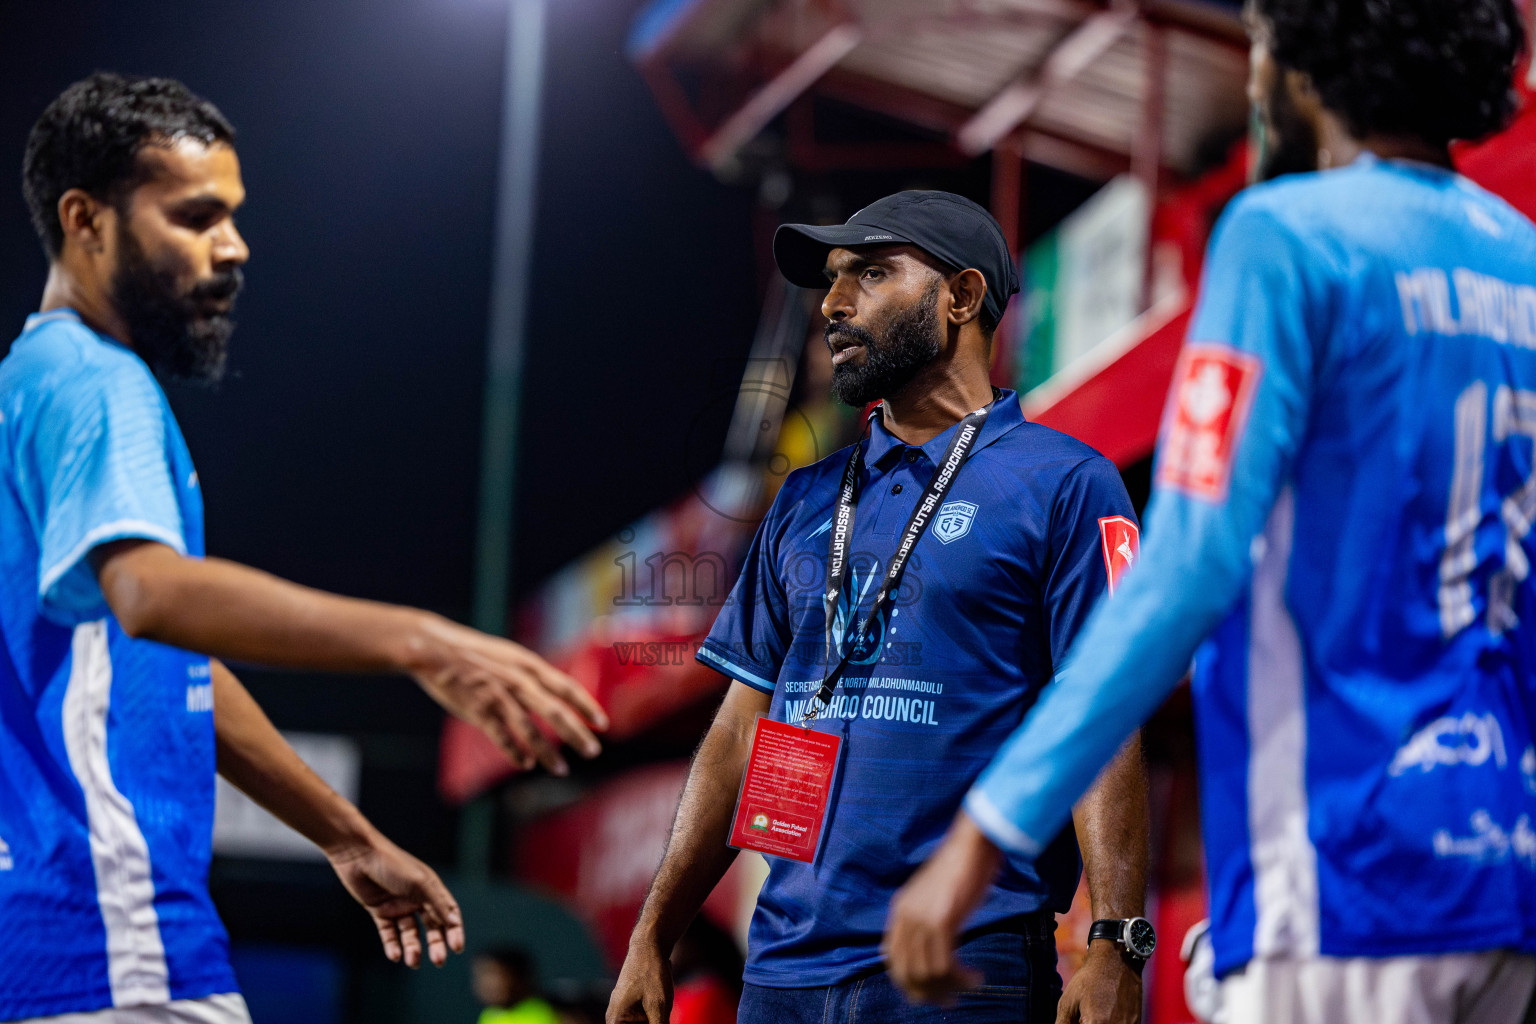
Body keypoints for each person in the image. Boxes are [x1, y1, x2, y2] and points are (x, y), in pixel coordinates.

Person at [883, 2, 1536, 1022]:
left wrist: (986, 832)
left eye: (1263, 47)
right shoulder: (1521, 258)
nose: (1253, 77)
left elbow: (1188, 566)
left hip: (1341, 872)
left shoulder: (1285, 236)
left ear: (1311, 69)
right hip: (1503, 880)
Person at [0, 73, 609, 1023]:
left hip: (49, 939)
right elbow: (154, 598)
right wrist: (423, 641)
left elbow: (159, 660)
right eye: (196, 217)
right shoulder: (96, 384)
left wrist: (347, 838)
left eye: (233, 217)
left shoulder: (29, 383)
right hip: (110, 935)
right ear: (87, 221)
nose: (233, 247)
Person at [608, 190, 1150, 1024]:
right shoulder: (804, 500)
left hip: (964, 967)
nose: (832, 303)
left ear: (961, 298)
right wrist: (655, 934)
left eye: (870, 273)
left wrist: (1114, 940)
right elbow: (739, 732)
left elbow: (1103, 716)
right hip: (780, 972)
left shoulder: (1066, 484)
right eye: (831, 280)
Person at [472, 948, 561, 1024]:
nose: (488, 984)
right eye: (482, 975)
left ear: (521, 977)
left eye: (496, 975)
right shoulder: (488, 1015)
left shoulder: (549, 1013)